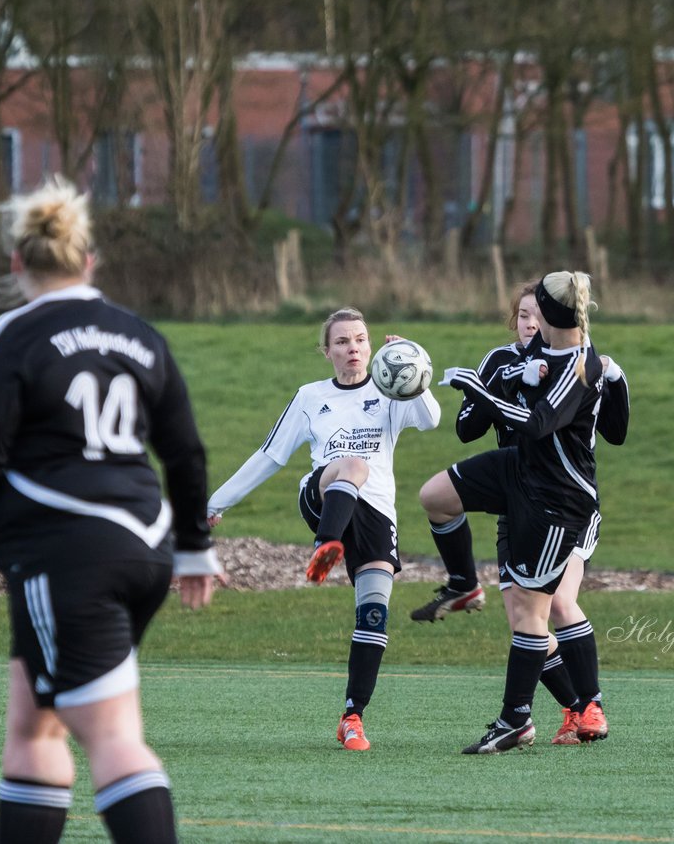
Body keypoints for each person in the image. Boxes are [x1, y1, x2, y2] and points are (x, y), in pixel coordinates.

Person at [0, 177, 220, 843]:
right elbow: (184, 453)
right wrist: (192, 549)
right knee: (35, 722)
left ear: (18, 264)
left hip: (64, 552)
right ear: (90, 260)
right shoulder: (139, 335)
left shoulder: (12, 334)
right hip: (144, 547)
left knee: (112, 736)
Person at [206, 308, 441, 751]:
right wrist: (217, 502)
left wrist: (410, 365)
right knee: (353, 465)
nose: (352, 348)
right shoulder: (311, 396)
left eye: (360, 340)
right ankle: (325, 545)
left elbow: (430, 419)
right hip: (322, 497)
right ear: (327, 351)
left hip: (376, 515)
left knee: (374, 614)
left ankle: (352, 717)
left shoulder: (389, 391)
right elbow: (270, 455)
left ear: (370, 347)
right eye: (342, 342)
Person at [411, 282, 628, 747]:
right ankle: (464, 583)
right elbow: (469, 429)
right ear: (515, 319)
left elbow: (546, 424)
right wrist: (497, 382)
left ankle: (578, 708)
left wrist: (615, 379)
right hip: (515, 482)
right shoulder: (508, 359)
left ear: (550, 320)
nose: (530, 322)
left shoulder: (581, 363)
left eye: (537, 314)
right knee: (435, 496)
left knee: (549, 608)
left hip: (559, 498)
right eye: (523, 314)